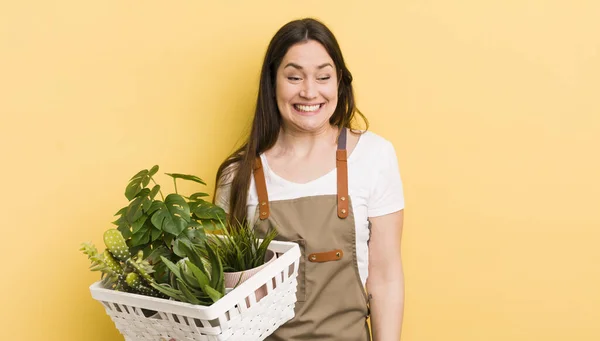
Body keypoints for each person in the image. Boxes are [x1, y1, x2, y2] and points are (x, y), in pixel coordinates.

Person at [214, 18, 405, 341]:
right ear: (272, 82)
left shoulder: (374, 157)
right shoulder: (237, 176)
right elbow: (224, 293)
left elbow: (385, 279)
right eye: (293, 77)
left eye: (323, 76)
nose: (309, 91)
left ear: (339, 82)